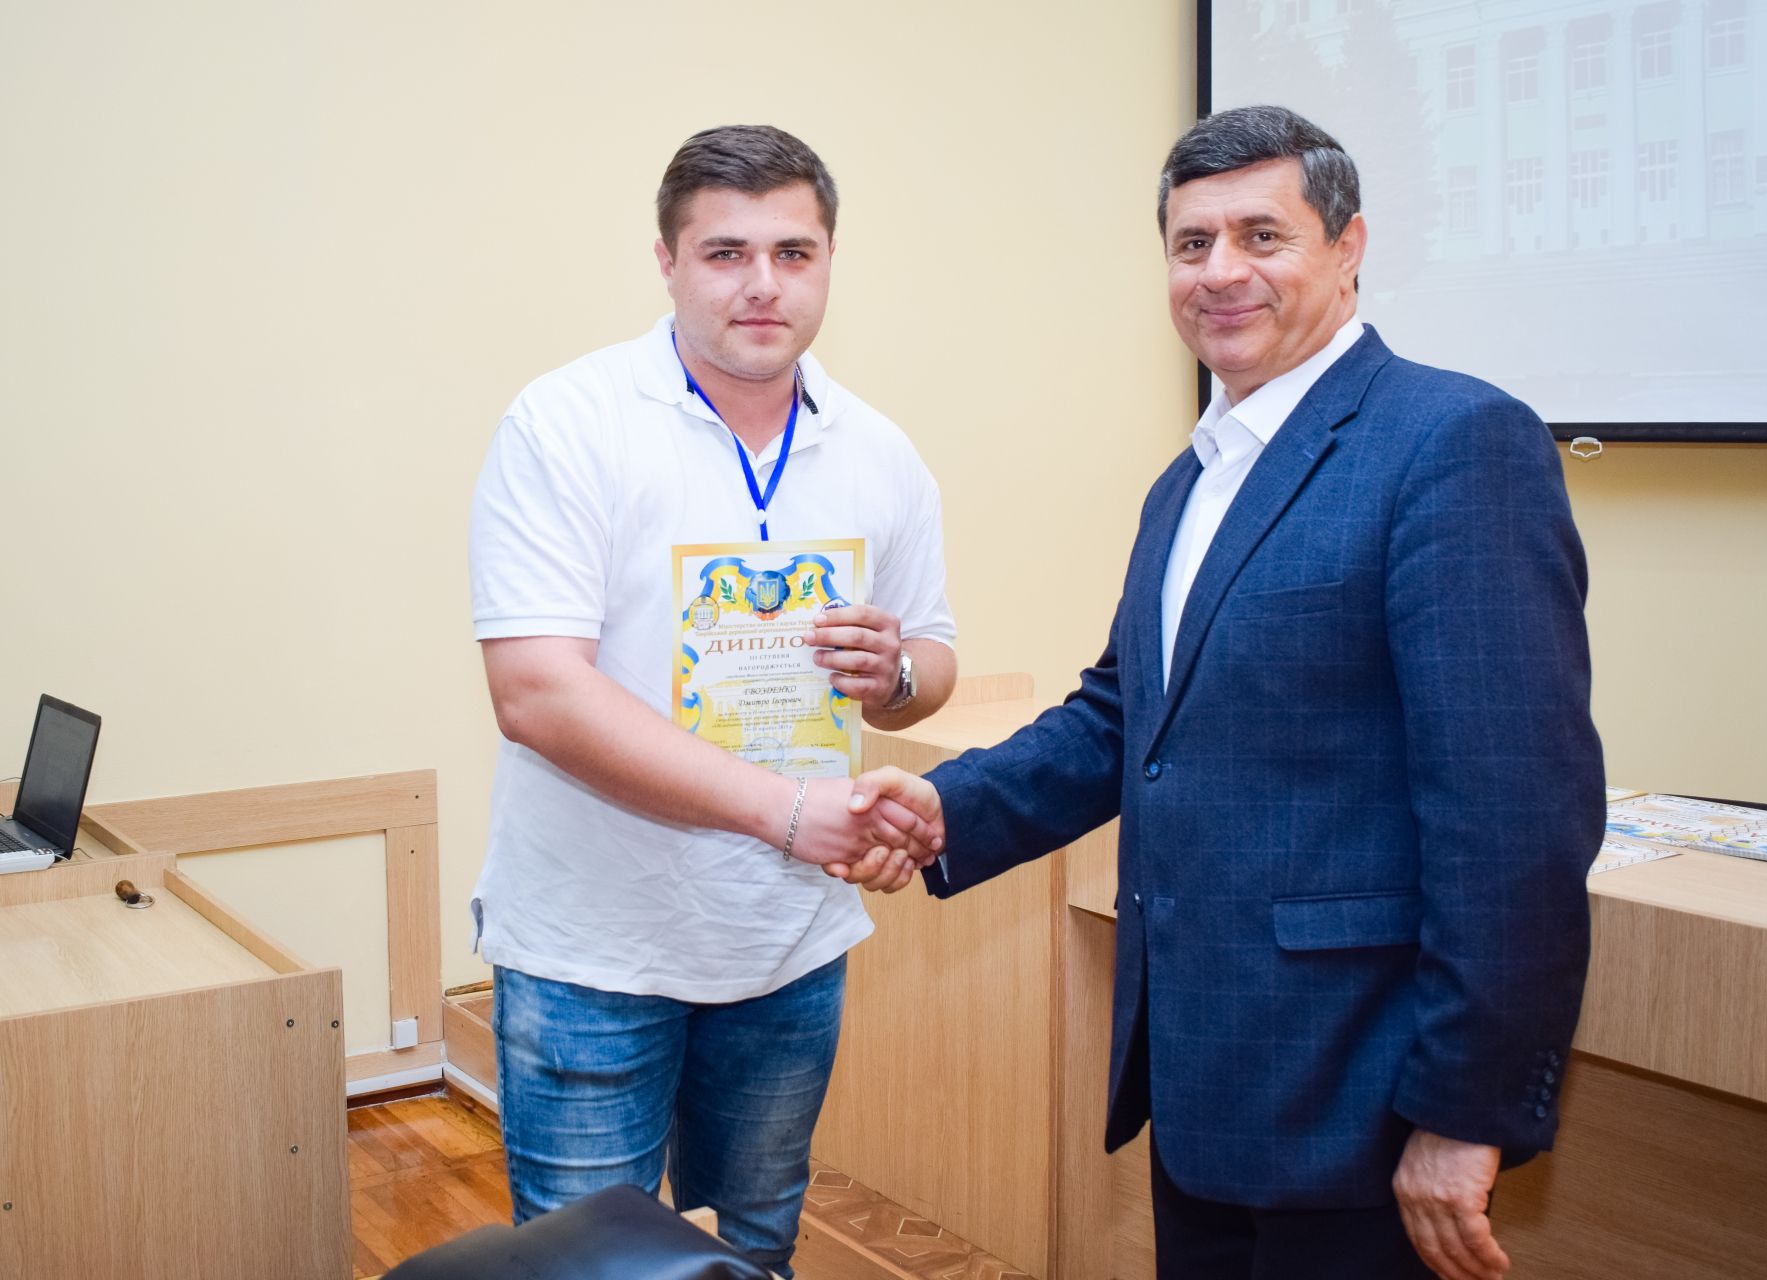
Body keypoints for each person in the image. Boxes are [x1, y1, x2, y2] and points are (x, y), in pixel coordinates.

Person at [837, 105, 1603, 1280]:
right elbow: (1124, 716)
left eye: (1262, 235)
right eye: (1192, 243)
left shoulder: (1455, 442)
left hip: (1362, 1100)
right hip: (1206, 1083)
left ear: (1348, 248)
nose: (1221, 270)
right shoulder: (1188, 481)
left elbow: (1514, 814)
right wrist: (952, 807)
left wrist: (1466, 1109)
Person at [467, 123, 957, 1278]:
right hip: (594, 948)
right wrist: (786, 813)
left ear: (829, 260)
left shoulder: (879, 451)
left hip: (788, 941)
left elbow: (930, 660)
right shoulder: (568, 422)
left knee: (755, 1247)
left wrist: (890, 671)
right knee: (586, 1266)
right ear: (668, 261)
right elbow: (535, 692)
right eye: (727, 251)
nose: (762, 283)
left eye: (794, 252)